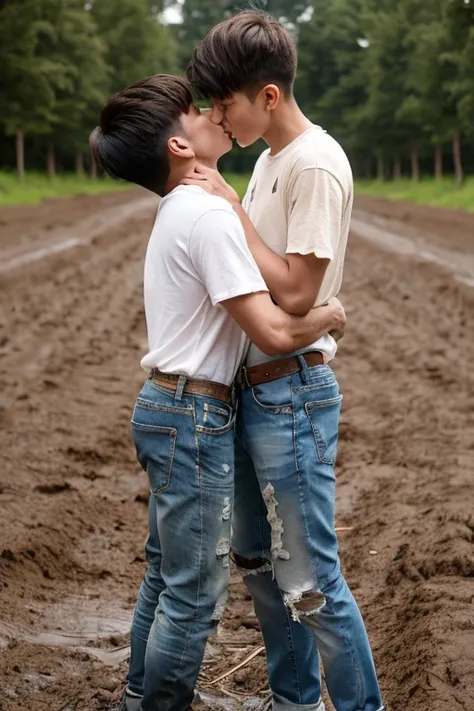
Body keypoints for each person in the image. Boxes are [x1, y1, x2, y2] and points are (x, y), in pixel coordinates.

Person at [89, 74, 346, 711]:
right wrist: (329, 315)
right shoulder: (205, 216)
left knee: (164, 573)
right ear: (180, 145)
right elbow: (275, 328)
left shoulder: (181, 207)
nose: (212, 115)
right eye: (196, 111)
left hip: (166, 406)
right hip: (194, 414)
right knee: (194, 594)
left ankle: (137, 695)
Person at [184, 11, 385, 711]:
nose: (219, 117)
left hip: (291, 394)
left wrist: (232, 212)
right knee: (261, 568)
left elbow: (298, 289)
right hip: (253, 390)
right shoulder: (270, 159)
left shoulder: (315, 164)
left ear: (268, 96)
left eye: (226, 103)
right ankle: (294, 702)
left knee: (311, 580)